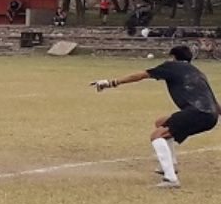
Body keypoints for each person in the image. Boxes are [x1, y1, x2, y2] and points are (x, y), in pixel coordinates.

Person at [91, 45, 220, 188]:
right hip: (211, 115)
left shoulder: (171, 66)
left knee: (156, 136)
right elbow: (213, 101)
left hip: (197, 112)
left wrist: (111, 82)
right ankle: (172, 164)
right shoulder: (197, 72)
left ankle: (170, 179)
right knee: (161, 122)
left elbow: (140, 75)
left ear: (173, 57)